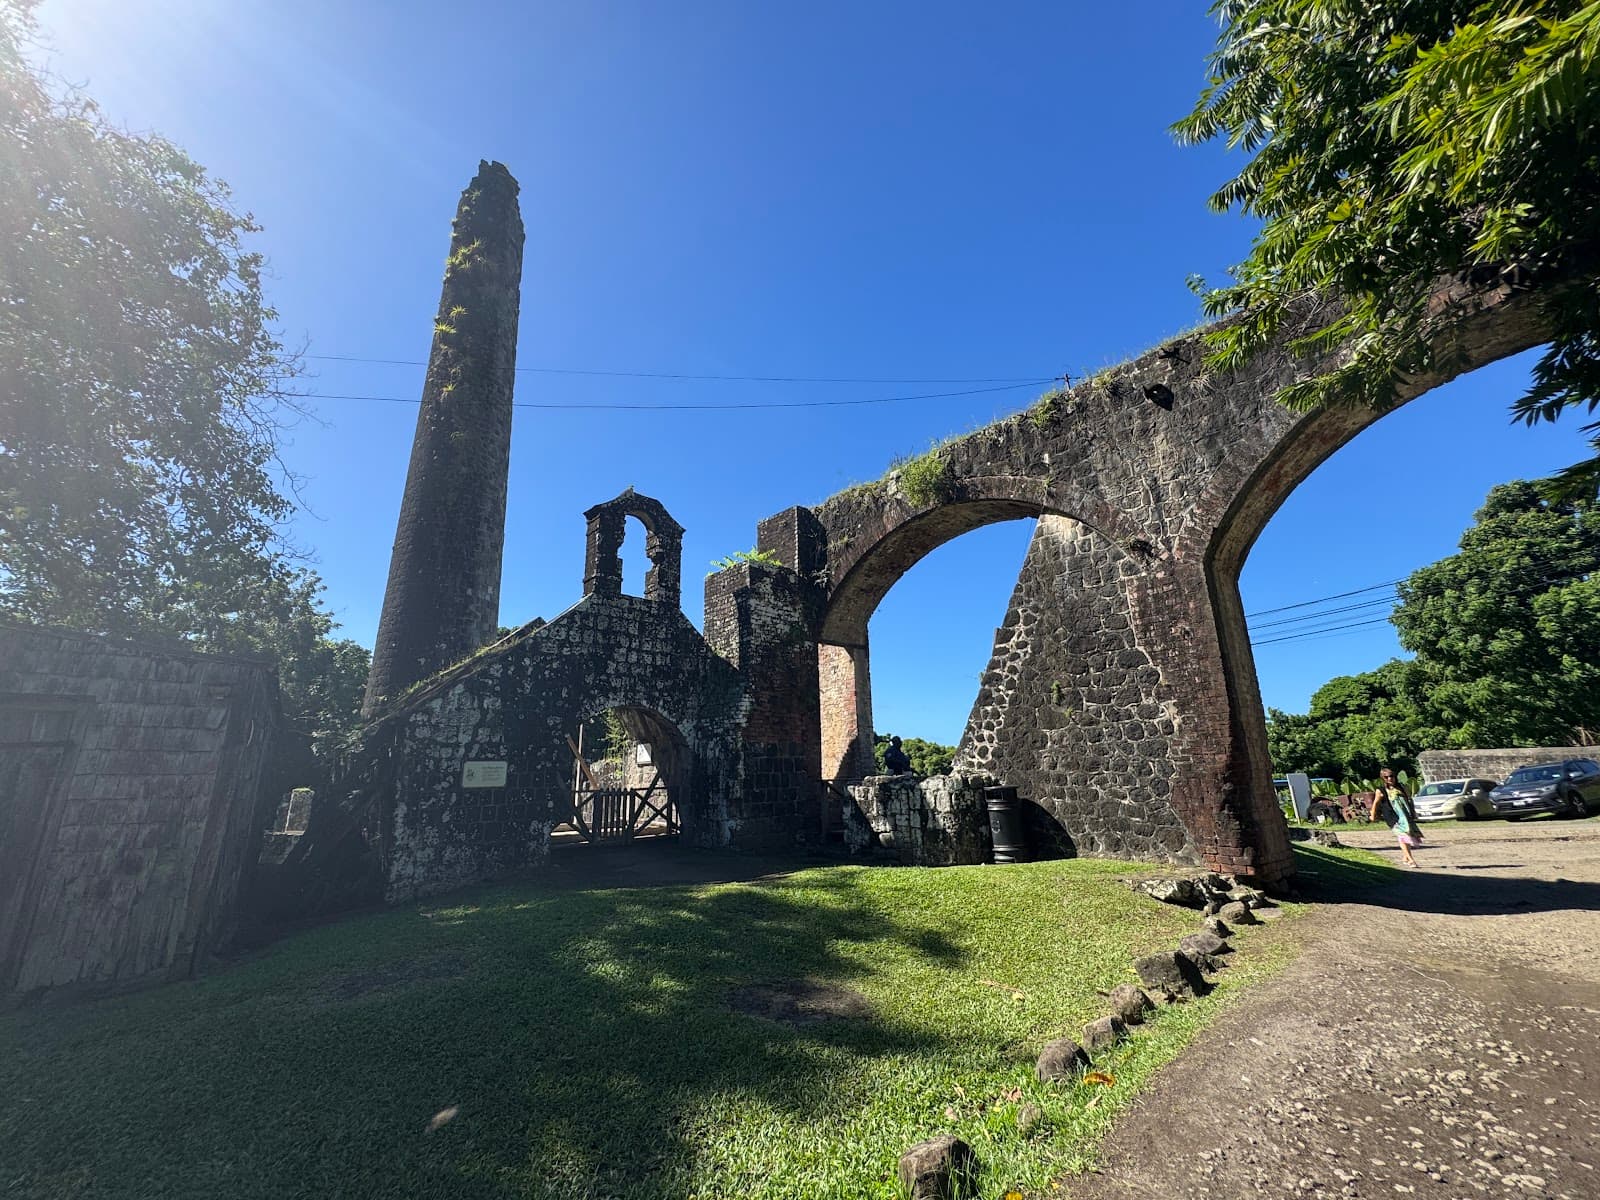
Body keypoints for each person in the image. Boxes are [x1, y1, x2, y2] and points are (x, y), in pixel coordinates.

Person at [1370, 767, 1423, 867]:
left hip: (1405, 817)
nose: (1389, 779)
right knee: (1403, 837)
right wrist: (1373, 815)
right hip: (1393, 818)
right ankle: (1411, 860)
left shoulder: (1402, 787)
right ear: (1383, 778)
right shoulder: (1381, 791)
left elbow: (1409, 800)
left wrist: (1413, 812)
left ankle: (1405, 857)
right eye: (1386, 777)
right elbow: (1375, 804)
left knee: (1407, 836)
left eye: (1391, 776)